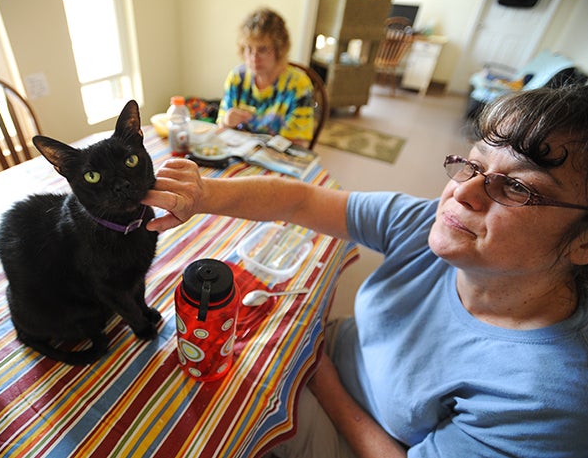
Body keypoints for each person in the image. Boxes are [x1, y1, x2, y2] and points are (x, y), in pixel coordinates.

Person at [143, 84, 588, 457]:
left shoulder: (546, 399)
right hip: (332, 354)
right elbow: (301, 201)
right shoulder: (428, 223)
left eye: (516, 187)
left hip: (360, 435)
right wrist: (202, 194)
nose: (463, 192)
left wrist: (316, 372)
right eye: (473, 165)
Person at [217, 7, 314, 148]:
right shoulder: (236, 78)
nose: (253, 58)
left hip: (278, 158)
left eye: (262, 49)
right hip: (239, 156)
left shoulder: (298, 85)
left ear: (279, 50)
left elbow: (299, 144)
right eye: (248, 49)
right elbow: (221, 128)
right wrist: (226, 122)